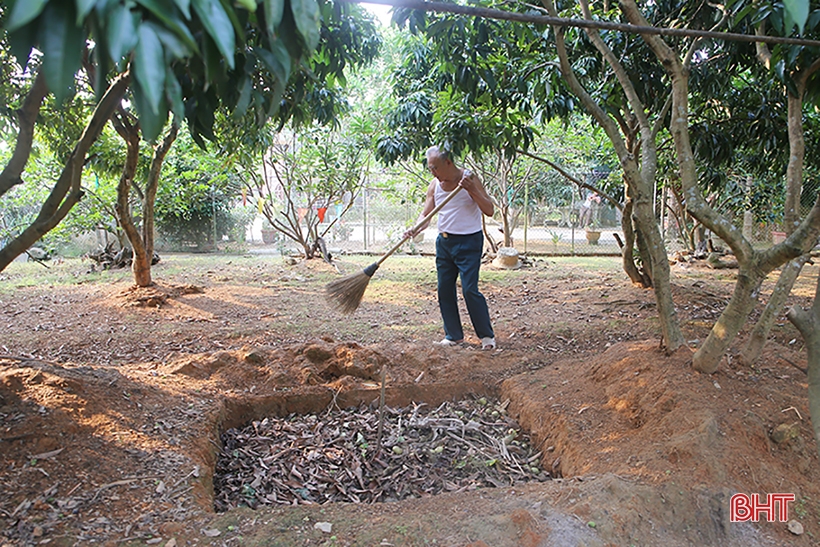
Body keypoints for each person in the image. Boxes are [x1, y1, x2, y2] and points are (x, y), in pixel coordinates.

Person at [404, 146, 496, 350]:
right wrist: (415, 228)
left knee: (470, 289)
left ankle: (486, 336)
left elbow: (489, 210)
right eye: (430, 169)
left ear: (448, 162)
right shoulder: (434, 185)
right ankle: (453, 335)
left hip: (469, 242)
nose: (433, 173)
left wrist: (471, 189)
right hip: (444, 243)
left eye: (435, 168)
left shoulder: (469, 178)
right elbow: (426, 214)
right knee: (444, 289)